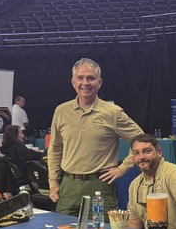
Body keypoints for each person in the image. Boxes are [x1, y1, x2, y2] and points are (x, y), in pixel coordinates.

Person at [47, 58, 144, 214]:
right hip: (68, 186)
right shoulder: (61, 111)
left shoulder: (112, 112)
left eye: (90, 78)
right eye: (80, 78)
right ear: (73, 82)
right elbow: (55, 148)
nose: (85, 83)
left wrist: (123, 168)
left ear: (99, 83)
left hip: (100, 186)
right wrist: (53, 183)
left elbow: (141, 140)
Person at [127, 134, 176, 229]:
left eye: (147, 151)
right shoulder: (134, 185)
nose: (141, 157)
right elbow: (134, 225)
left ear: (159, 153)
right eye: (136, 153)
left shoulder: (173, 175)